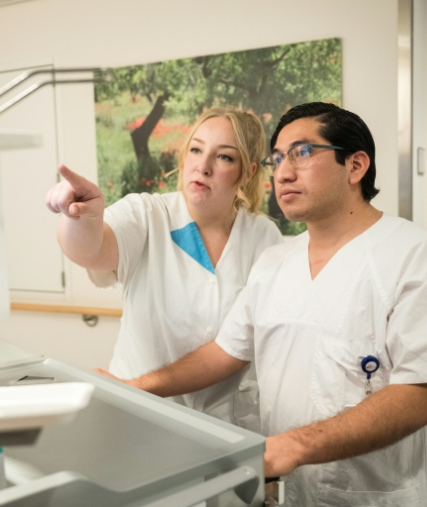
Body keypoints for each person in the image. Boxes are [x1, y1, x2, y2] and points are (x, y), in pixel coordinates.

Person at [101, 102, 427, 506]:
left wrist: (294, 446)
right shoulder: (276, 263)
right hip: (296, 493)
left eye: (302, 153)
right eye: (277, 158)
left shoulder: (420, 255)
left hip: (384, 495)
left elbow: (421, 396)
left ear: (355, 166)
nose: (282, 172)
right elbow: (223, 353)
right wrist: (131, 387)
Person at [45, 107, 283, 431]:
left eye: (224, 157)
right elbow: (90, 250)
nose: (203, 165)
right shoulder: (147, 214)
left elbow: (243, 345)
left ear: (248, 171)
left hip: (229, 427)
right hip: (140, 417)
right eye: (196, 150)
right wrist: (79, 217)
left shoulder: (264, 237)